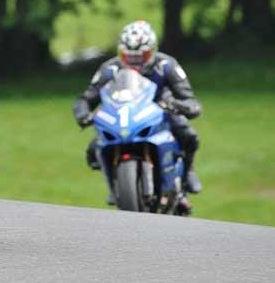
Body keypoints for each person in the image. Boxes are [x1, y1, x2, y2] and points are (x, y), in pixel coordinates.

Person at [72, 20, 203, 204]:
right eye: (129, 57)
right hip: (124, 115)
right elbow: (86, 97)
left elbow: (189, 98)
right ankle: (114, 185)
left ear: (152, 50)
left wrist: (182, 106)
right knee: (95, 148)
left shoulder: (167, 65)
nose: (134, 62)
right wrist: (83, 114)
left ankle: (188, 171)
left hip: (160, 113)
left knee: (188, 135)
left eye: (141, 56)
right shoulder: (110, 68)